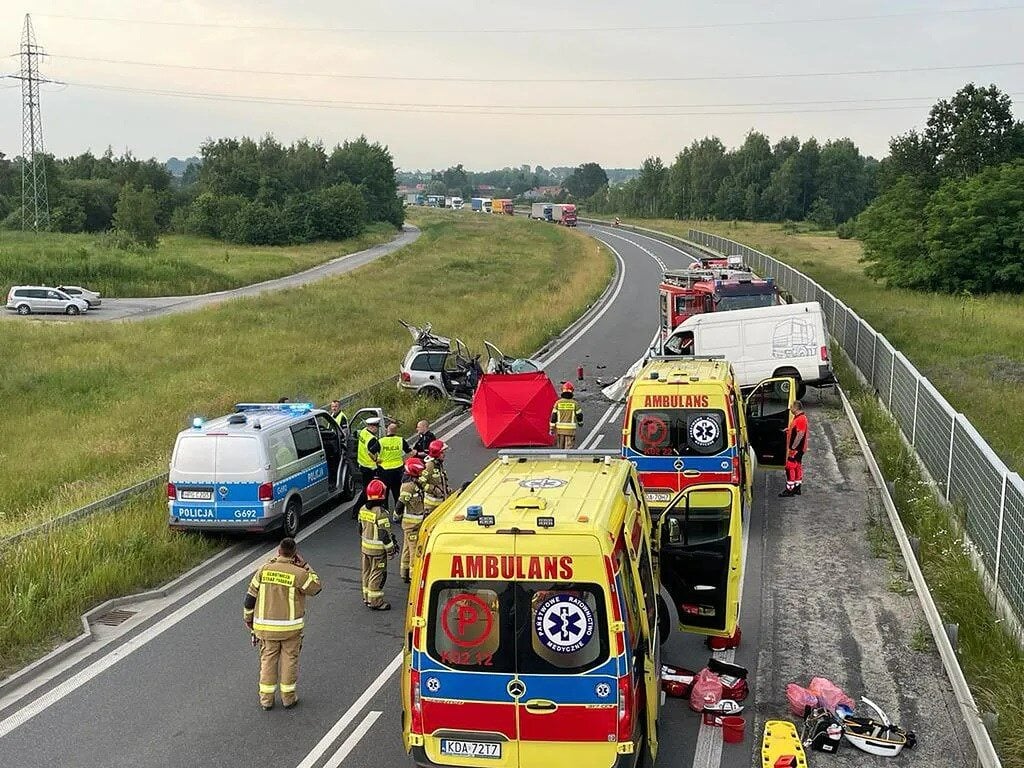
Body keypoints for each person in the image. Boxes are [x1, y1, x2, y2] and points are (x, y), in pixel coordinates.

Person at [243, 537, 321, 711]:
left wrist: (249, 620)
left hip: (266, 629)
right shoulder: (299, 574)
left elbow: (249, 599)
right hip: (290, 630)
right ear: (294, 555)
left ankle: (266, 700)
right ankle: (288, 698)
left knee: (268, 661)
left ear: (278, 551)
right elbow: (316, 587)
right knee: (289, 660)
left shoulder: (263, 570)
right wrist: (305, 565)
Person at [358, 479, 397, 610]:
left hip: (365, 548)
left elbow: (360, 528)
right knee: (377, 574)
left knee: (367, 572)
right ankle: (375, 602)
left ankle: (366, 597)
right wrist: (391, 550)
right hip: (377, 551)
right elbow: (384, 535)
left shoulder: (363, 509)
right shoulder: (381, 513)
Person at [394, 457, 428, 583]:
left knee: (407, 548)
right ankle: (414, 577)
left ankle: (405, 572)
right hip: (412, 525)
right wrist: (396, 515)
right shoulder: (408, 486)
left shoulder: (414, 483)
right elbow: (400, 503)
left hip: (413, 523)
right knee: (414, 550)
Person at [370, 422, 412, 510]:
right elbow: (409, 452)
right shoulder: (400, 440)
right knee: (397, 492)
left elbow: (370, 452)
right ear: (396, 431)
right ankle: (398, 512)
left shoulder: (381, 441)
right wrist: (405, 462)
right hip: (398, 470)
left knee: (384, 492)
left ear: (387, 430)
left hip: (384, 471)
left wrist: (376, 460)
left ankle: (385, 510)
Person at [353, 417, 382, 517]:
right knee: (368, 490)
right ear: (372, 426)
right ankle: (357, 510)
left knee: (366, 489)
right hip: (370, 468)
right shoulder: (372, 439)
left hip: (362, 464)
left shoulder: (363, 432)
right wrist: (377, 460)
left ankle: (362, 508)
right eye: (376, 427)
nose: (377, 429)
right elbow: (371, 453)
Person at [780, 400, 809, 497]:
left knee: (790, 467)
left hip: (796, 449)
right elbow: (797, 430)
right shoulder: (800, 418)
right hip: (799, 449)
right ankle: (797, 487)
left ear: (796, 408)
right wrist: (789, 430)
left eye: (791, 407)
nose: (790, 409)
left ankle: (790, 489)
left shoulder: (800, 419)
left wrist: (793, 447)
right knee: (797, 466)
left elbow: (800, 434)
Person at [550, 382, 584, 449]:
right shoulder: (575, 404)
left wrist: (551, 428)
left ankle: (561, 459)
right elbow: (579, 416)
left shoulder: (558, 403)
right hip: (570, 431)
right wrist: (580, 423)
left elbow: (553, 417)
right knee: (568, 450)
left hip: (560, 430)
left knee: (560, 449)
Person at [423, 439, 450, 513]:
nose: (444, 454)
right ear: (436, 453)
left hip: (441, 502)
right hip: (432, 506)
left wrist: (447, 489)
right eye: (442, 452)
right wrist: (434, 490)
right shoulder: (429, 465)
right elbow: (421, 483)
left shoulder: (438, 463)